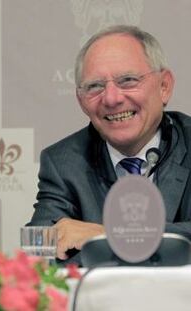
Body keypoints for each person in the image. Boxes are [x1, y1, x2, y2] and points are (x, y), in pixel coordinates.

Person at [28, 25, 191, 265]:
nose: (112, 98)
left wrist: (107, 237)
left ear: (164, 86)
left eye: (128, 80)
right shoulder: (62, 161)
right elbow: (35, 246)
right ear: (81, 100)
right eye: (95, 86)